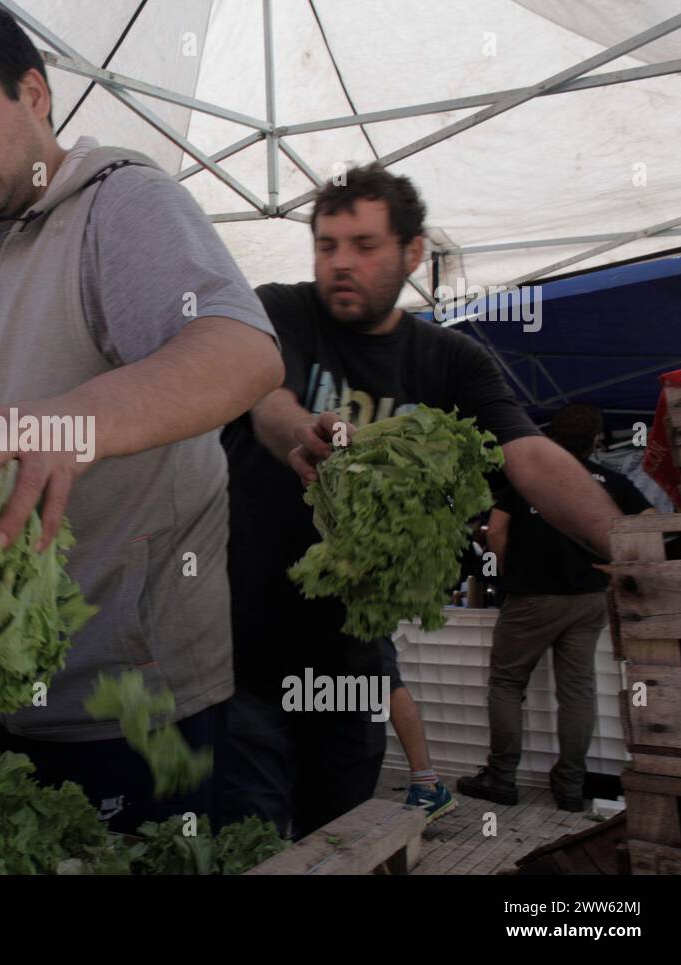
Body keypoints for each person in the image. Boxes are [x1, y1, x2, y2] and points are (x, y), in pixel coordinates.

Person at [0, 0, 283, 832]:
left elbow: (242, 352)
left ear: (35, 94)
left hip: (135, 694)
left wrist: (63, 424)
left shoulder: (124, 203)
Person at [221, 164, 625, 839]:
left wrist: (629, 546)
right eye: (327, 245)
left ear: (412, 253)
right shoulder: (280, 309)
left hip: (351, 666)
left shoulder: (452, 361)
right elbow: (265, 393)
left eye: (365, 245)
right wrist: (300, 431)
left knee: (342, 843)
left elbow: (526, 454)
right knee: (252, 847)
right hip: (244, 658)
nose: (341, 263)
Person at [458, 405, 653, 811]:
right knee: (578, 692)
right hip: (589, 600)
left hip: (532, 597)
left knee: (508, 683)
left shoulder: (526, 481)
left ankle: (501, 779)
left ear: (549, 437)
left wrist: (507, 572)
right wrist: (621, 565)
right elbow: (650, 522)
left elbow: (495, 529)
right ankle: (570, 788)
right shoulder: (613, 482)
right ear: (596, 440)